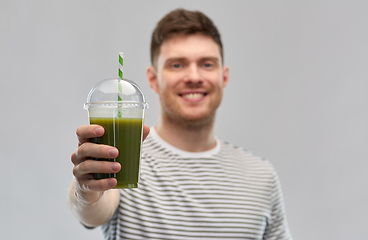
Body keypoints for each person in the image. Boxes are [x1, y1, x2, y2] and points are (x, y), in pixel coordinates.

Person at [68, 8, 292, 240]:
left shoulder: (262, 176)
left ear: (223, 77)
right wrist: (86, 191)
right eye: (177, 65)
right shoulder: (125, 158)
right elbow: (93, 212)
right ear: (154, 80)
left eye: (207, 64)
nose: (194, 76)